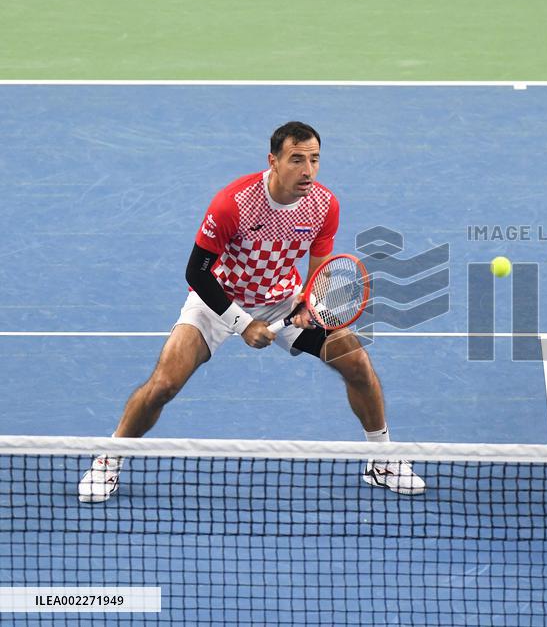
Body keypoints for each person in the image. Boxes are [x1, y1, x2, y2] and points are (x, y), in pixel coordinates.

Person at [78, 122, 425, 502]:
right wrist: (243, 324)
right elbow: (196, 273)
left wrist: (308, 303)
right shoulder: (234, 203)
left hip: (281, 297)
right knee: (164, 384)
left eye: (314, 159)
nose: (307, 170)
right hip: (218, 298)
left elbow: (319, 268)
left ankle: (382, 459)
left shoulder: (324, 204)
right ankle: (109, 457)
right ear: (273, 161)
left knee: (355, 362)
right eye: (296, 159)